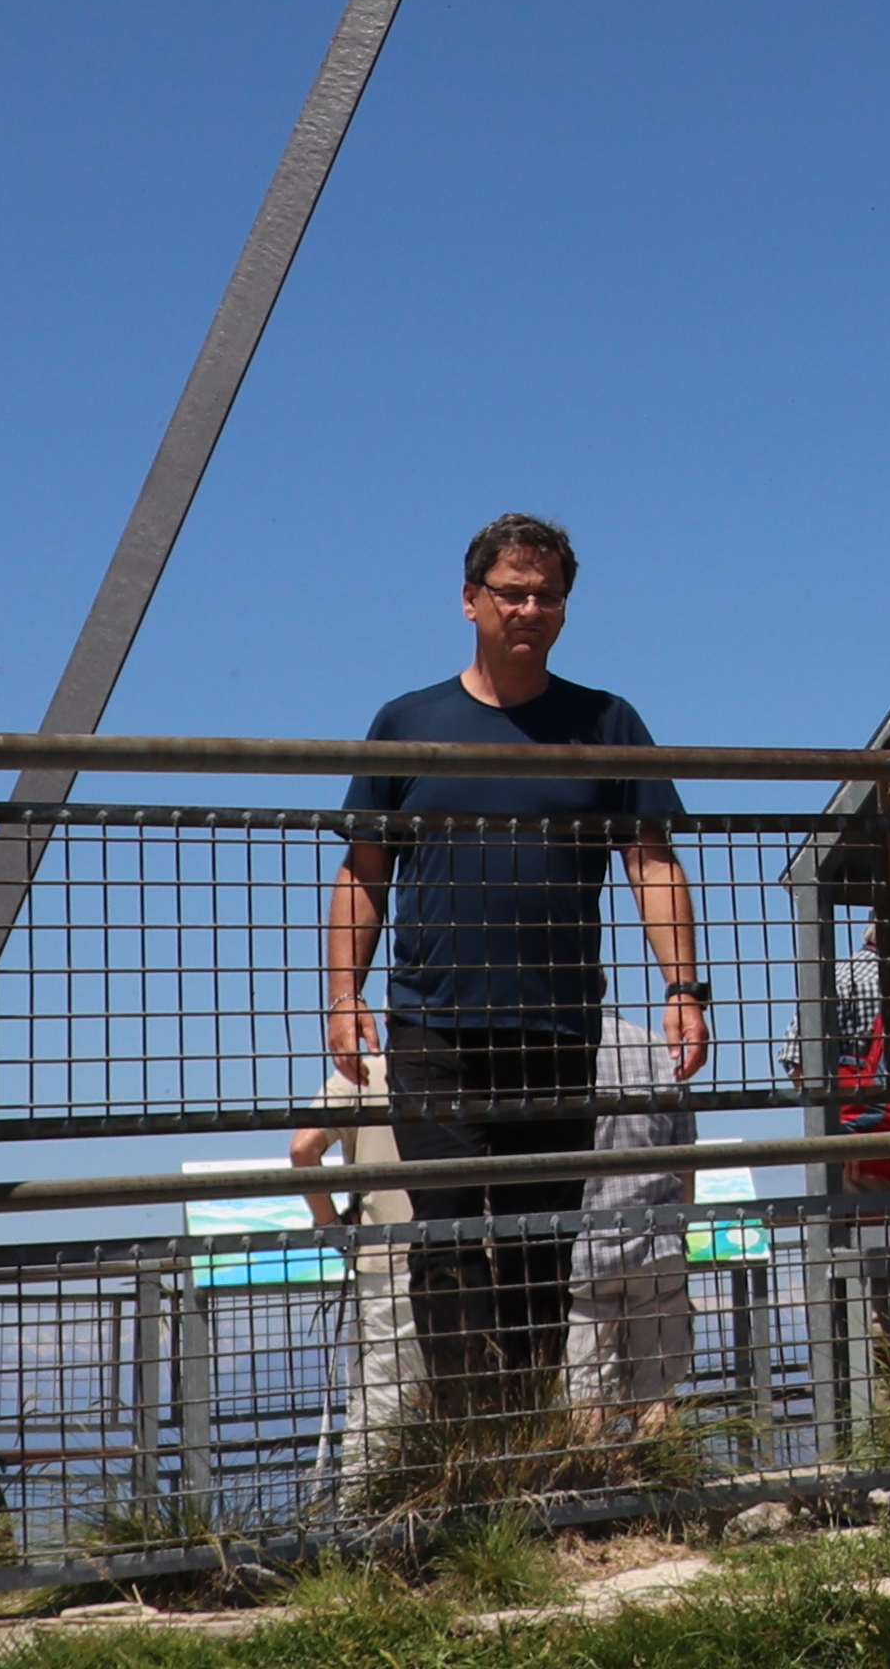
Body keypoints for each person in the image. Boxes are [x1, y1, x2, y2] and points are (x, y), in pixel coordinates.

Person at [323, 512, 709, 1449]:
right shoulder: (406, 724)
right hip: (432, 1031)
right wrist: (343, 995)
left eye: (546, 595)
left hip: (558, 1030)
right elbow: (364, 872)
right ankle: (464, 1454)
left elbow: (651, 863)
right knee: (447, 1243)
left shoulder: (608, 723)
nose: (529, 608)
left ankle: (529, 1447)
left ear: (565, 609)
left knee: (542, 1245)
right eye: (511, 592)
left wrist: (685, 990)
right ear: (471, 602)